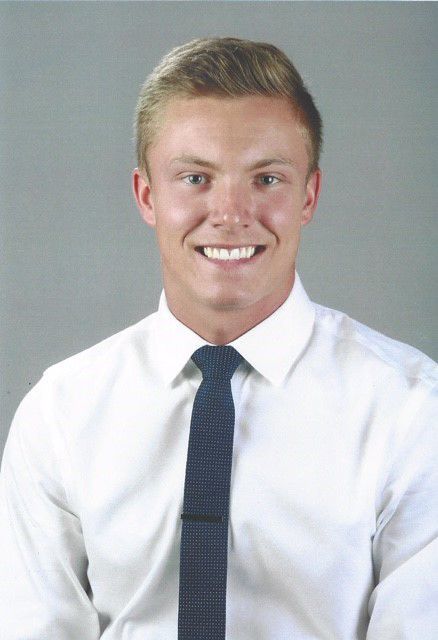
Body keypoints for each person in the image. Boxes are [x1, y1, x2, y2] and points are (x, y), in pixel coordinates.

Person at [0, 37, 437, 640]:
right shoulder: (61, 413)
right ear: (147, 196)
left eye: (267, 179)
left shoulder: (411, 412)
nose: (231, 213)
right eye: (195, 178)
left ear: (308, 196)